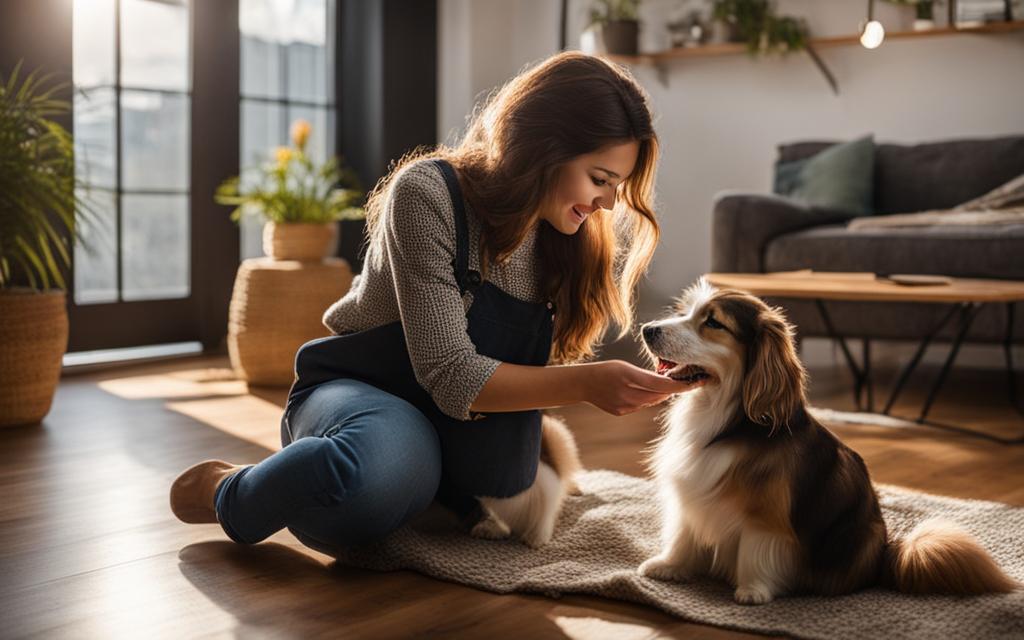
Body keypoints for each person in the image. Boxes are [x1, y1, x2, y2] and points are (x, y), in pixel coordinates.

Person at [169, 51, 698, 553]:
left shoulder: (564, 239)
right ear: (544, 149)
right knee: (363, 490)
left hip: (458, 424)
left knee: (489, 482)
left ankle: (410, 486)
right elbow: (452, 374)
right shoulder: (427, 193)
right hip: (365, 390)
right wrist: (588, 384)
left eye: (617, 185)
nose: (608, 201)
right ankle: (229, 491)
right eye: (600, 180)